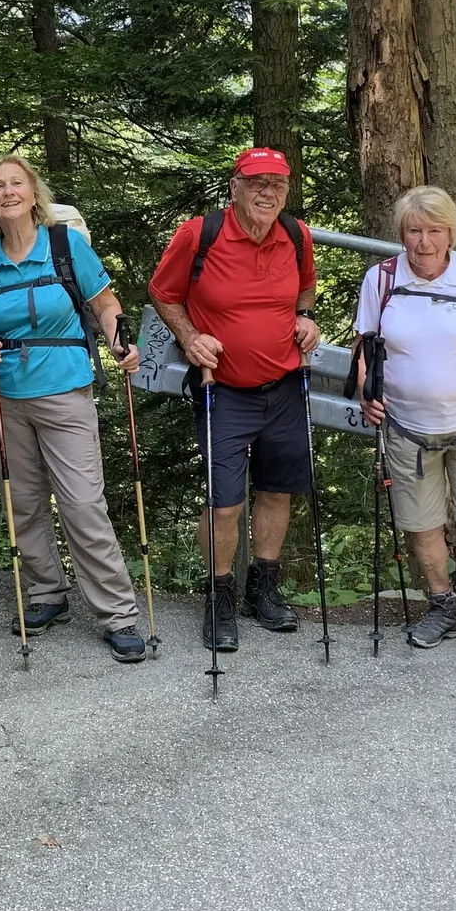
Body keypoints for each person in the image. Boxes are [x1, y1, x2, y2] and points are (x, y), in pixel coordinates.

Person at [0, 155, 150, 663]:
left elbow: (107, 305)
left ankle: (119, 614)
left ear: (33, 193)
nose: (8, 192)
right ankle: (45, 594)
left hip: (65, 390)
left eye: (17, 183)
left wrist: (119, 343)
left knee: (83, 502)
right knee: (23, 502)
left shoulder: (66, 245)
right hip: (1, 396)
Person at [148, 147, 321, 652]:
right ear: (236, 186)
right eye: (257, 182)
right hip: (221, 389)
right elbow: (163, 292)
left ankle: (262, 589)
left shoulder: (296, 234)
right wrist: (188, 336)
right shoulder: (199, 234)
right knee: (225, 502)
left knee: (276, 490)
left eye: (278, 184)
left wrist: (306, 317)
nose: (268, 192)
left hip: (285, 386)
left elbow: (305, 288)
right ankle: (219, 593)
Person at [354, 186, 456, 664]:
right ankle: (442, 605)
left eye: (434, 231)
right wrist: (369, 393)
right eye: (414, 231)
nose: (424, 242)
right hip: (407, 428)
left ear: (451, 233)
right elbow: (366, 347)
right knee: (422, 527)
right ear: (401, 233)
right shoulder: (381, 279)